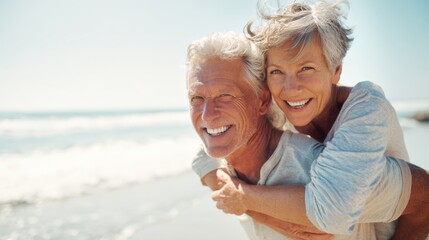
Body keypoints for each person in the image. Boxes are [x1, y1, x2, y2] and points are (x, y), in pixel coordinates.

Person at [191, 1, 429, 239]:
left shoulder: (366, 108)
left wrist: (244, 198)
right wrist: (268, 216)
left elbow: (330, 212)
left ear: (336, 70)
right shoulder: (279, 102)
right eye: (277, 71)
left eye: (306, 68)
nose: (291, 89)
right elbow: (212, 145)